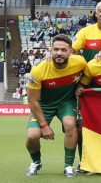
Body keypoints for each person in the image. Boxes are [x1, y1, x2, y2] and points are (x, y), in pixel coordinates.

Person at [24, 34, 86, 177]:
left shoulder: (80, 62)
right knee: (32, 136)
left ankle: (68, 166)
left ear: (71, 51)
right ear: (50, 51)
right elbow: (32, 101)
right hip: (43, 105)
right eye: (56, 49)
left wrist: (81, 85)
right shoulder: (38, 70)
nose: (59, 53)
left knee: (71, 124)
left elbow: (88, 74)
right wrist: (44, 126)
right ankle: (36, 161)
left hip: (66, 102)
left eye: (64, 50)